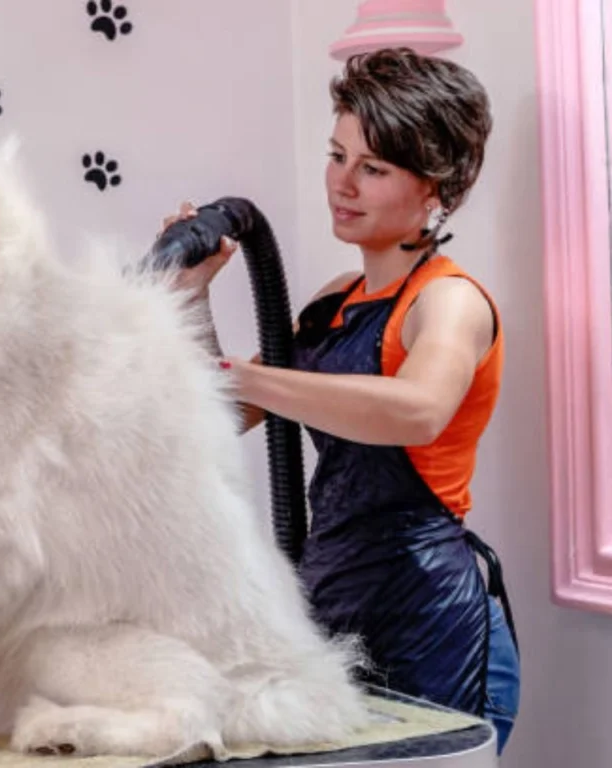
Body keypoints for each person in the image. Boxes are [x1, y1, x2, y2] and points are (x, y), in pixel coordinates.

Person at [161, 47, 520, 754]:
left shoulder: (448, 303)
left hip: (427, 611)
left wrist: (249, 375)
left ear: (436, 190)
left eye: (373, 168)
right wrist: (191, 298)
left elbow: (416, 409)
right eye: (337, 156)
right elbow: (226, 411)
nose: (342, 184)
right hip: (331, 596)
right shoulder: (336, 300)